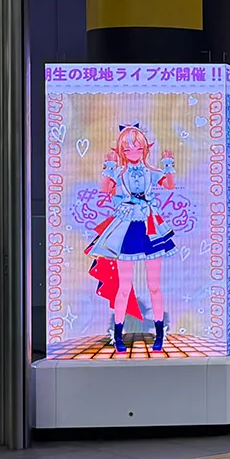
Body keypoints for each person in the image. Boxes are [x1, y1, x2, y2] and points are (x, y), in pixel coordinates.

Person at [85, 124, 177, 353]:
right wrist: (108, 168)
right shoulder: (118, 172)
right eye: (127, 149)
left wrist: (168, 165)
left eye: (137, 148)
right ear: (121, 151)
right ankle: (118, 334)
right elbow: (104, 189)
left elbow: (169, 185)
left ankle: (159, 333)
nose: (133, 152)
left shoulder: (151, 171)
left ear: (144, 149)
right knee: (124, 287)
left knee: (154, 285)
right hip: (127, 227)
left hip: (149, 227)